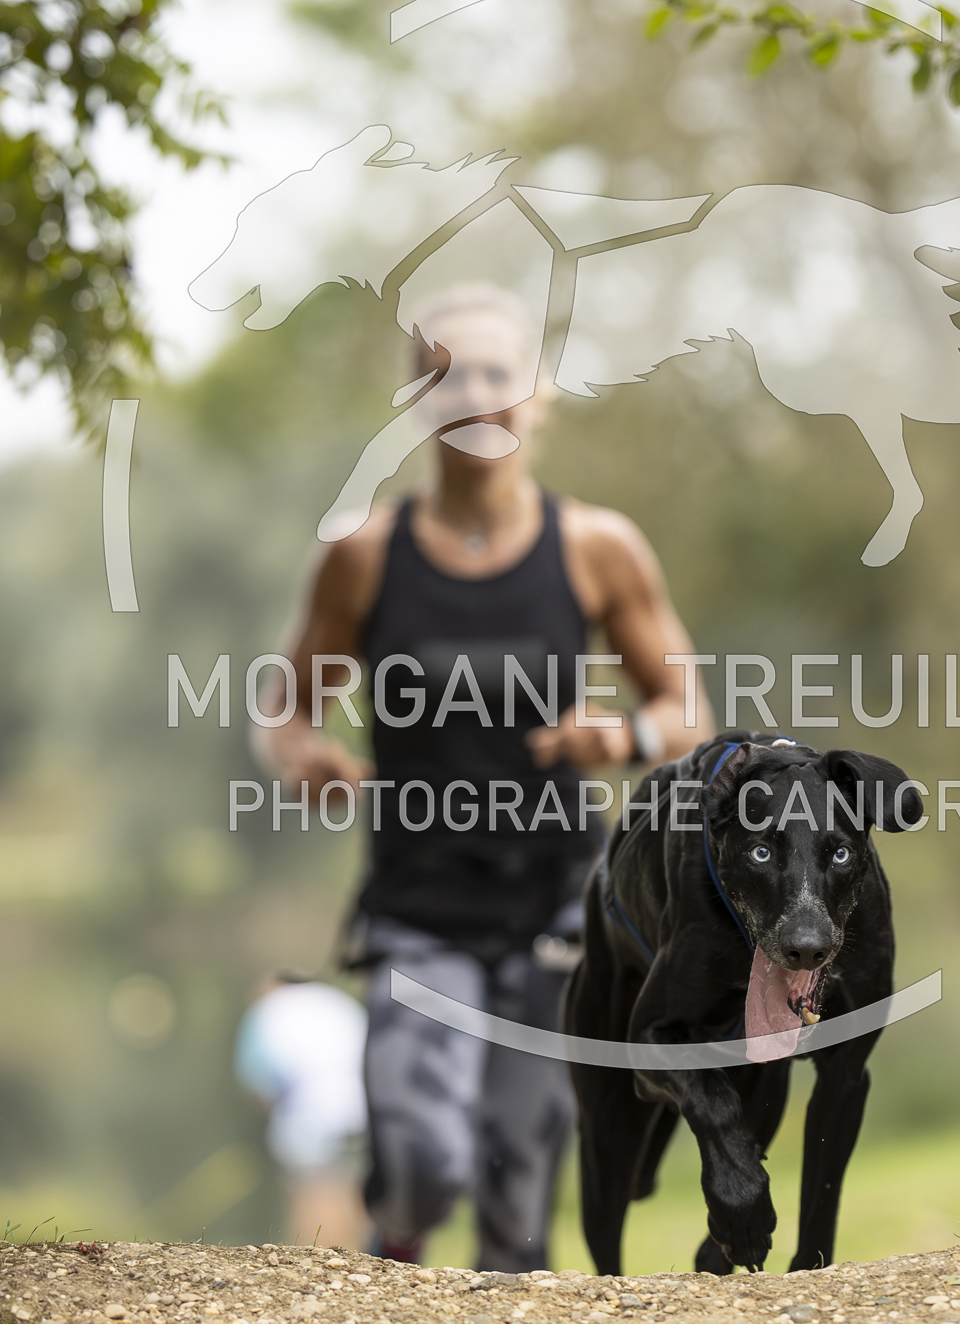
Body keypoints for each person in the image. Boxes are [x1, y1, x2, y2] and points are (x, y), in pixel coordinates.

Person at [257, 283, 710, 1269]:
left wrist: (622, 738)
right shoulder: (364, 557)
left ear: (537, 394)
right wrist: (305, 755)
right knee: (425, 1165)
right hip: (419, 908)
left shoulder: (595, 549)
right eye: (445, 376)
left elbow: (686, 712)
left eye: (496, 373)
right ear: (417, 400)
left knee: (516, 1211)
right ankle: (398, 1232)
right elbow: (283, 708)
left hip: (558, 905)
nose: (473, 395)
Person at [234, 974, 369, 1250]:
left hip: (307, 1117)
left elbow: (259, 1077)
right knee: (355, 1195)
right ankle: (360, 1260)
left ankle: (314, 1264)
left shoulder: (267, 1011)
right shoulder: (338, 1003)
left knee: (311, 1196)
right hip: (363, 1112)